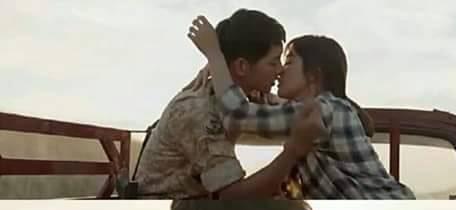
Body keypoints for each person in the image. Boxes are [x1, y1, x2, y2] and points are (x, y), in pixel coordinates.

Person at [188, 16, 415, 199]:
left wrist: (215, 56)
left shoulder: (325, 110)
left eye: (288, 62)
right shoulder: (330, 110)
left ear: (313, 75)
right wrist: (268, 99)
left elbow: (238, 115)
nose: (280, 71)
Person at [134, 9, 325, 199]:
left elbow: (284, 116)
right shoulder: (200, 110)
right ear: (242, 67)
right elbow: (231, 196)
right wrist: (292, 152)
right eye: (273, 62)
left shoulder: (237, 100)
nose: (280, 70)